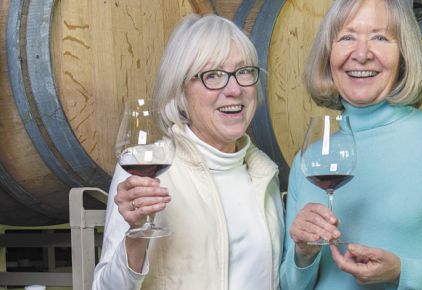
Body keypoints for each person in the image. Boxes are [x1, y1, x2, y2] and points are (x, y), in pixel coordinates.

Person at [280, 0, 422, 289]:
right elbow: (290, 285)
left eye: (380, 37)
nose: (361, 54)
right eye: (347, 37)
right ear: (328, 54)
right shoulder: (309, 160)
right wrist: (303, 254)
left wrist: (403, 272)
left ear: (403, 55)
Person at [92, 14, 284, 290]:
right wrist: (136, 237)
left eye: (243, 72)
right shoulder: (145, 169)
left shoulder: (264, 174)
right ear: (181, 89)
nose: (234, 89)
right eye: (213, 75)